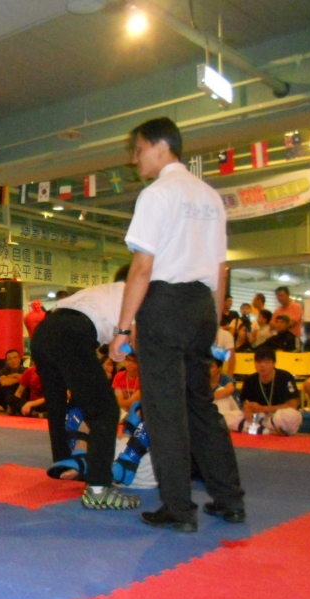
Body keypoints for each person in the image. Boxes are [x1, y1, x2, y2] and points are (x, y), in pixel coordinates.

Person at [110, 117, 245, 532]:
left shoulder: (157, 194)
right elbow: (220, 268)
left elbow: (142, 268)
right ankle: (229, 500)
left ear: (159, 146)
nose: (135, 160)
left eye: (138, 150)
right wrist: (215, 321)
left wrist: (122, 329)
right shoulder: (209, 196)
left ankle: (179, 509)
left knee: (165, 411)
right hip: (202, 306)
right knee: (200, 406)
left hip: (165, 305)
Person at [32, 264, 139, 510]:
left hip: (45, 332)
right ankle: (99, 488)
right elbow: (136, 337)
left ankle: (66, 462)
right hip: (71, 334)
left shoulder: (102, 291)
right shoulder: (135, 293)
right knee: (105, 410)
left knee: (60, 403)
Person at [239, 346, 302, 435]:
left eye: (266, 362)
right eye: (258, 362)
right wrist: (247, 409)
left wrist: (264, 408)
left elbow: (293, 405)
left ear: (274, 363)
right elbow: (245, 403)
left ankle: (263, 429)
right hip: (260, 417)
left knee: (291, 415)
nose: (262, 365)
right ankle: (268, 431)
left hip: (279, 416)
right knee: (230, 416)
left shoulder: (285, 377)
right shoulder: (250, 380)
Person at [210, 358, 243, 430]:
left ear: (219, 368)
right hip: (215, 413)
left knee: (221, 392)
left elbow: (229, 390)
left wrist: (207, 397)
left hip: (234, 412)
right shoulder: (202, 380)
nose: (207, 370)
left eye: (211, 367)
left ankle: (221, 426)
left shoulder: (225, 379)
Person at [0, 349, 25, 413]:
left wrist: (12, 376)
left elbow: (27, 381)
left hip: (22, 397)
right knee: (8, 388)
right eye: (10, 359)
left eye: (15, 357)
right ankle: (10, 406)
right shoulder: (3, 371)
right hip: (7, 397)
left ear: (19, 359)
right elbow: (4, 382)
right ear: (7, 362)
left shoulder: (25, 370)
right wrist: (19, 378)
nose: (13, 360)